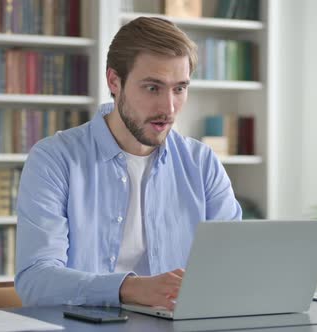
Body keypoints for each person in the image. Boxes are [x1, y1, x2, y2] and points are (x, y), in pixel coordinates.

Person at [15, 17, 242, 310]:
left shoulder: (203, 163)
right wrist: (129, 289)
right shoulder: (54, 160)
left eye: (179, 89)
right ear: (114, 81)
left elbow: (233, 267)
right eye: (152, 88)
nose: (168, 108)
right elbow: (36, 281)